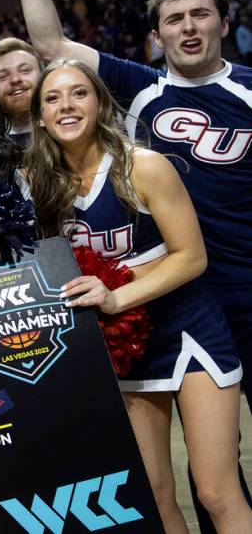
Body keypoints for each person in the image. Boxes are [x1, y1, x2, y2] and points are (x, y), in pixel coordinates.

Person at [6, 0, 252, 531]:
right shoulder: (141, 91)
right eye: (174, 19)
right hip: (167, 301)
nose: (188, 28)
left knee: (220, 488)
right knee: (173, 490)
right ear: (156, 36)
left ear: (225, 22)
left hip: (218, 290)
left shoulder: (241, 93)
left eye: (201, 15)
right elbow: (53, 48)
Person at [25, 59, 251, 534]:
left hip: (187, 330)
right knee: (153, 491)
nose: (67, 105)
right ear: (40, 116)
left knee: (215, 490)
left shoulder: (142, 165)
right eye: (53, 98)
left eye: (79, 93)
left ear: (101, 103)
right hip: (125, 347)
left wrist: (116, 296)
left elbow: (191, 257)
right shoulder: (40, 186)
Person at [0, 38, 43, 147]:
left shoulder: (67, 128)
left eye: (25, 70)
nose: (15, 79)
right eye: (3, 76)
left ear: (44, 78)